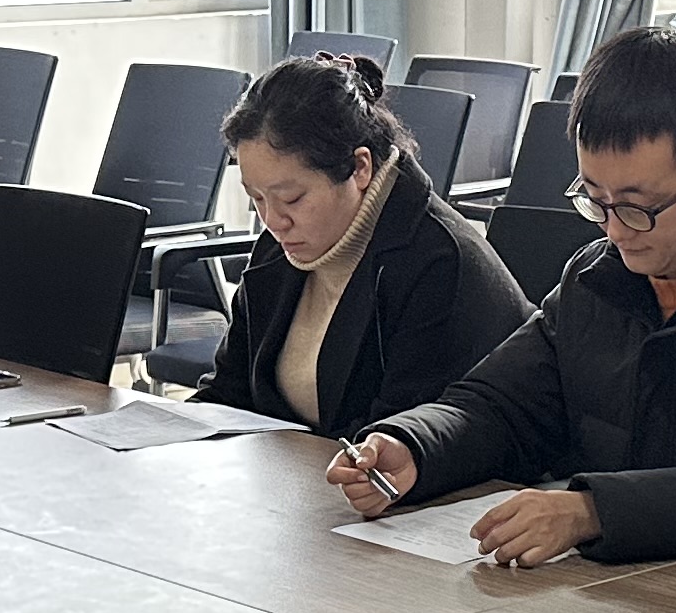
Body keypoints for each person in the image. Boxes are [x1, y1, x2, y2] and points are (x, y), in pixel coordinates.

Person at [324, 26, 676, 569]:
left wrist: (595, 511)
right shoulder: (600, 279)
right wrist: (414, 446)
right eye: (595, 199)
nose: (615, 229)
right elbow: (500, 406)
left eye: (637, 206)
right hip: (639, 582)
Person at [194, 54, 526, 436]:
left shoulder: (439, 264)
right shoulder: (280, 246)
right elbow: (228, 393)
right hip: (291, 466)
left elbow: (397, 440)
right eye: (256, 198)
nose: (272, 220)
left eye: (292, 198)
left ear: (360, 168)